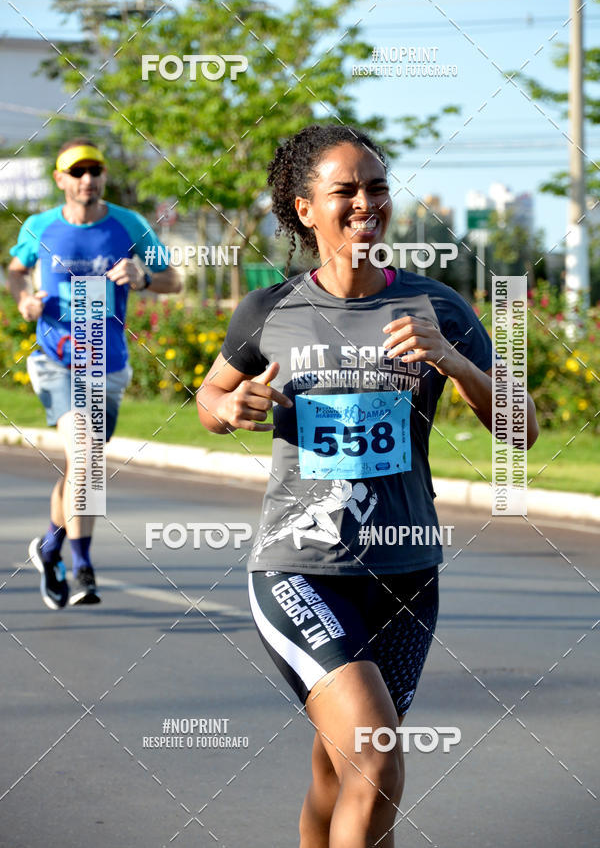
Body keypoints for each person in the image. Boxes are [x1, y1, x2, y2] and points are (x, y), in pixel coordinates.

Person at [196, 124, 539, 847]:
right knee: (376, 754)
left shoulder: (437, 308)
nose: (366, 204)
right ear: (302, 209)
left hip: (406, 574)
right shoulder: (268, 311)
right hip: (299, 569)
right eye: (344, 191)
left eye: (377, 188)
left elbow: (524, 429)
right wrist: (231, 408)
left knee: (340, 768)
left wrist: (454, 360)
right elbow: (211, 398)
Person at [7, 138, 181, 609]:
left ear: (103, 177)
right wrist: (24, 298)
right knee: (86, 457)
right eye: (76, 172)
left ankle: (49, 546)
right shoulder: (41, 226)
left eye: (94, 171)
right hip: (56, 358)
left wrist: (143, 278)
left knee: (82, 467)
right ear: (61, 180)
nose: (87, 179)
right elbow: (16, 270)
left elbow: (174, 280)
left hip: (107, 363)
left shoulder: (129, 224)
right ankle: (83, 567)